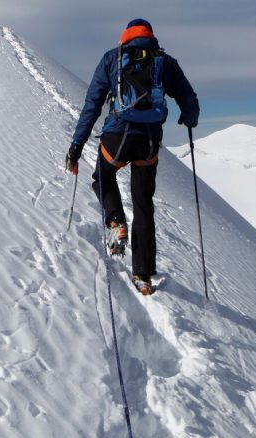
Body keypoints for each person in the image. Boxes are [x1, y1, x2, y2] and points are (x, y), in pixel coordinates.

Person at [66, 18, 199, 295]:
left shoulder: (112, 59)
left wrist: (76, 146)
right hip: (148, 142)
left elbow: (92, 104)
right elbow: (188, 97)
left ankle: (116, 221)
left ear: (125, 36)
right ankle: (143, 275)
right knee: (143, 203)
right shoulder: (165, 62)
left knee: (103, 176)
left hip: (118, 137)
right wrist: (189, 117)